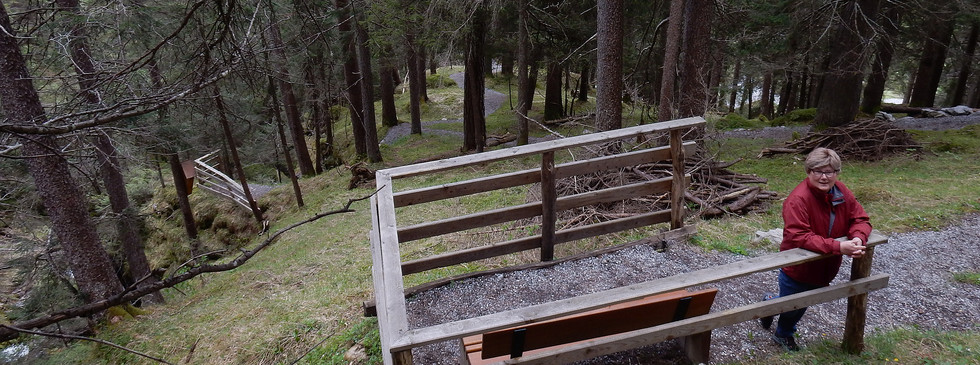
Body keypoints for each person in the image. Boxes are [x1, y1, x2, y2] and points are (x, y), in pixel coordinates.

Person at [760, 147, 872, 351]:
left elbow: (860, 218)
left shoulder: (841, 192)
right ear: (808, 172)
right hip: (798, 266)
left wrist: (858, 237)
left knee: (801, 299)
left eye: (829, 172)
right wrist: (839, 246)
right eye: (818, 171)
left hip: (825, 265)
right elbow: (800, 236)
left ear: (837, 173)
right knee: (795, 304)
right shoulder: (797, 200)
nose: (824, 177)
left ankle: (770, 304)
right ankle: (783, 334)